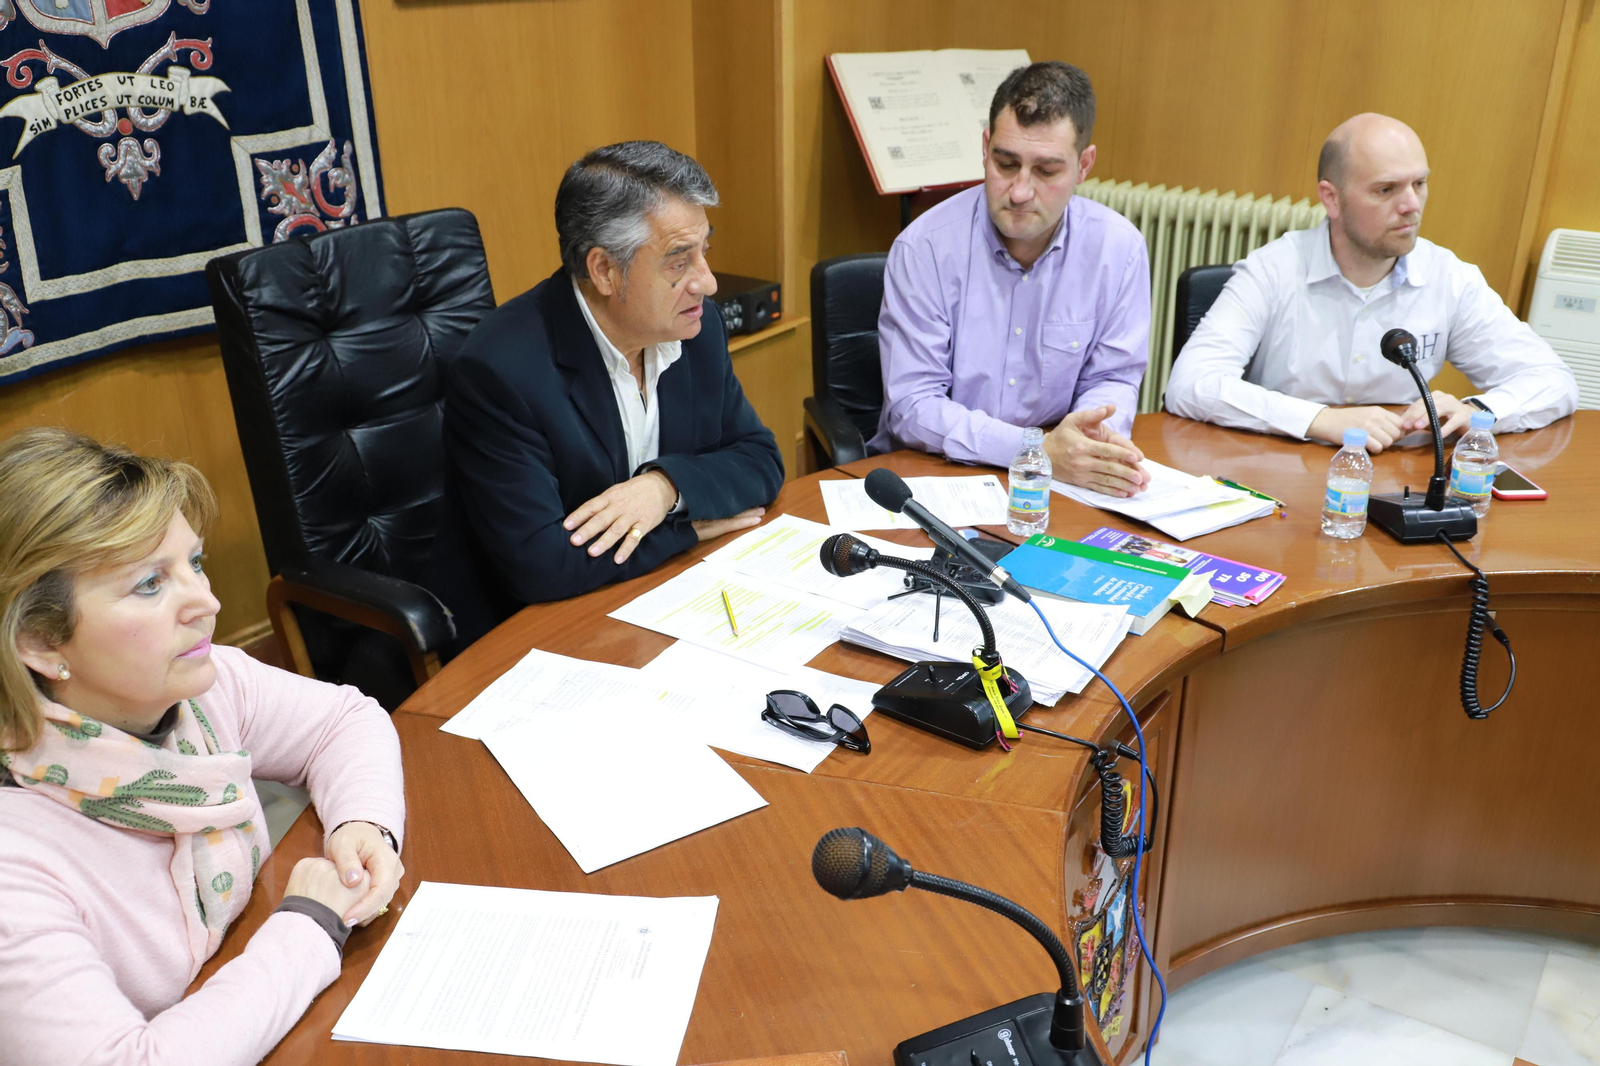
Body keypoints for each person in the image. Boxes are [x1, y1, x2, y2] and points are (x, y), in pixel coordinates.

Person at [0, 428, 405, 1065]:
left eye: (195, 563)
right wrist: (307, 924)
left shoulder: (199, 685)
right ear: (41, 643)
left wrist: (364, 823)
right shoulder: (15, 863)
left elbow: (345, 721)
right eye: (148, 585)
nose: (208, 602)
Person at [445, 141, 785, 605]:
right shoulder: (501, 373)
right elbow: (540, 567)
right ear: (604, 270)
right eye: (679, 260)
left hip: (665, 594)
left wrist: (664, 488)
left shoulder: (694, 330)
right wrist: (683, 530)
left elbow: (761, 459)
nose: (707, 283)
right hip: (552, 625)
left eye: (705, 251)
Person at [1165, 113, 1578, 451]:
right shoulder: (1272, 271)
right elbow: (1192, 383)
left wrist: (1480, 409)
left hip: (1397, 482)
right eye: (1386, 189)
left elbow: (1552, 380)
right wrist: (1320, 419)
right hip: (1279, 473)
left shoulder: (1449, 278)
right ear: (1331, 198)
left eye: (1420, 183)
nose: (1411, 205)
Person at [868, 61, 1153, 497]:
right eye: (1006, 163)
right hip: (936, 474)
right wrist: (1035, 450)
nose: (1019, 191)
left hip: (1057, 481)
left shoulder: (1119, 250)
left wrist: (1088, 443)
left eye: (1046, 171)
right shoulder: (924, 247)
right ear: (985, 147)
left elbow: (1112, 379)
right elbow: (913, 406)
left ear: (1084, 165)